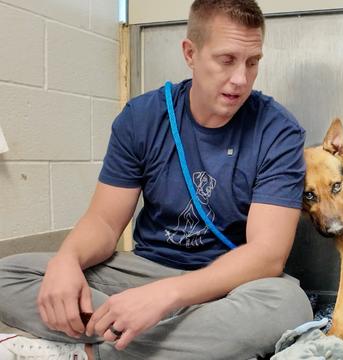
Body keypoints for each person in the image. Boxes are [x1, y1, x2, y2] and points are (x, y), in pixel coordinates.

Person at [0, 0, 313, 359]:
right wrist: (66, 261)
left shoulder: (279, 131)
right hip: (143, 272)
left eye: (253, 62)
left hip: (229, 285)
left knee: (288, 305)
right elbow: (104, 221)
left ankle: (88, 353)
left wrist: (168, 297)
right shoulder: (142, 117)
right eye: (227, 60)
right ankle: (179, 338)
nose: (241, 78)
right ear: (190, 53)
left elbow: (266, 255)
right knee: (8, 275)